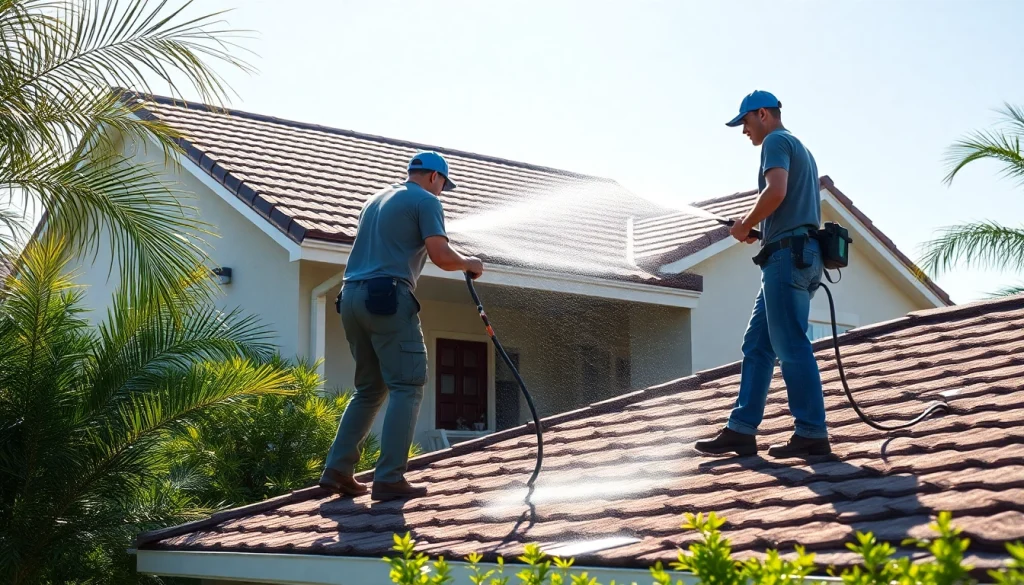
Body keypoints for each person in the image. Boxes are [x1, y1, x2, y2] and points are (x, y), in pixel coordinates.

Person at [319, 151, 484, 501]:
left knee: (369, 389)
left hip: (350, 298)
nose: (441, 192)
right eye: (443, 186)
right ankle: (390, 477)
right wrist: (469, 263)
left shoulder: (375, 199)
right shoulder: (426, 201)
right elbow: (440, 255)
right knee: (407, 386)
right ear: (435, 178)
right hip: (388, 298)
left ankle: (337, 470)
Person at [695, 90, 830, 459]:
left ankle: (812, 434)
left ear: (763, 114)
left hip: (788, 259)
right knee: (757, 345)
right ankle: (741, 430)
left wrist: (745, 225)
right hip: (792, 253)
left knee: (790, 345)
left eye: (745, 122)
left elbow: (776, 190)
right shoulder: (797, 146)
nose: (744, 132)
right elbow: (788, 204)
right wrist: (763, 231)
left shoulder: (775, 141)